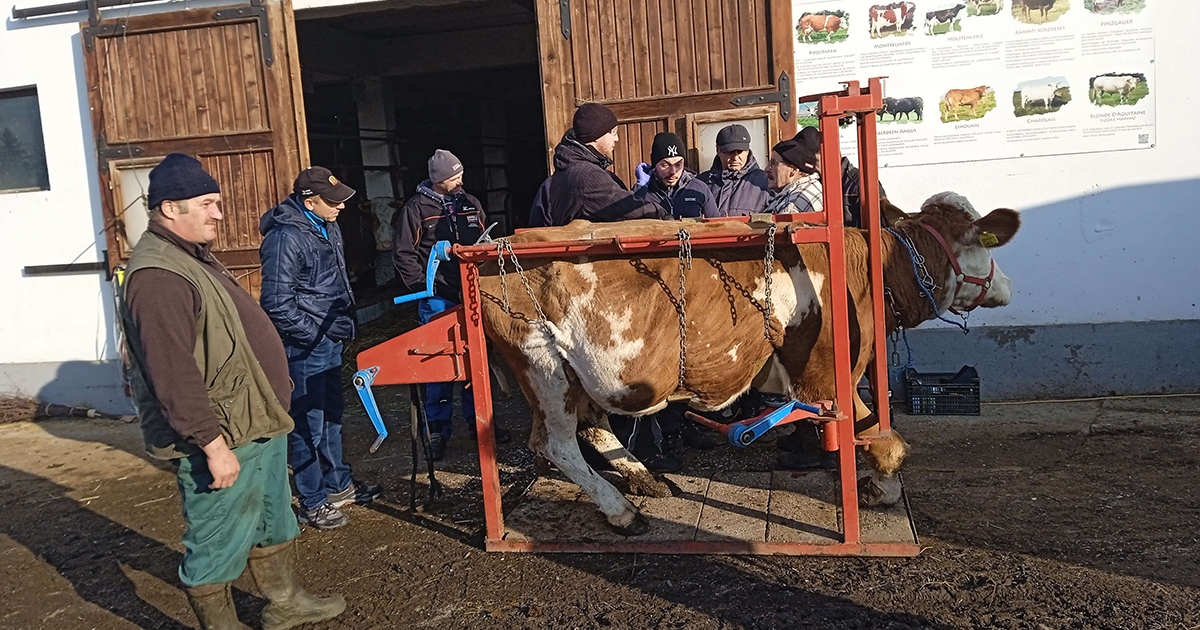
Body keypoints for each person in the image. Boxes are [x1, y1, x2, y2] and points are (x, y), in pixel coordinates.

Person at [119, 153, 345, 629]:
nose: (218, 213)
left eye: (217, 202)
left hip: (253, 419)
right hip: (223, 434)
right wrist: (212, 445)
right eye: (206, 203)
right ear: (168, 209)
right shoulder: (158, 277)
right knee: (215, 537)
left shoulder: (190, 256)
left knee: (272, 519)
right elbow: (172, 375)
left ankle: (286, 602)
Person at [259, 166, 383, 531]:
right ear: (309, 201)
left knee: (331, 415)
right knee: (306, 423)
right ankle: (312, 501)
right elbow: (277, 302)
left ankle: (338, 484)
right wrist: (313, 333)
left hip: (329, 338)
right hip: (304, 345)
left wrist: (340, 328)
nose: (341, 206)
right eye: (332, 201)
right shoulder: (286, 238)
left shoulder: (326, 226)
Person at [392, 149, 512, 460]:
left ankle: (481, 424)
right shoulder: (416, 210)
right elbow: (404, 253)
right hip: (438, 297)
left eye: (459, 174)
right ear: (437, 180)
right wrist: (424, 286)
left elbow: (484, 242)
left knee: (478, 362)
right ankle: (436, 430)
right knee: (439, 363)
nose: (460, 180)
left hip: (472, 296)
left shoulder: (470, 204)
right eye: (453, 177)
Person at [547, 102, 665, 226]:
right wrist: (662, 212)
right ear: (597, 135)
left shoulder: (567, 169)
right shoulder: (589, 177)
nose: (617, 138)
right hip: (587, 245)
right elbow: (628, 208)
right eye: (613, 132)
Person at [679, 123, 773, 218]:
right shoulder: (701, 183)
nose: (736, 157)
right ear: (718, 150)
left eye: (740, 151)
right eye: (730, 151)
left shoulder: (765, 182)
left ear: (747, 151)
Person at [633, 132, 717, 219]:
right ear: (654, 165)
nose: (673, 171)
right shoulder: (643, 192)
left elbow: (717, 226)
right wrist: (639, 191)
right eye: (665, 165)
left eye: (678, 164)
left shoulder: (700, 188)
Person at [763, 126, 823, 214]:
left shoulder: (796, 201)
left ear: (793, 170)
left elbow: (781, 227)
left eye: (774, 164)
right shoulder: (794, 193)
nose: (767, 169)